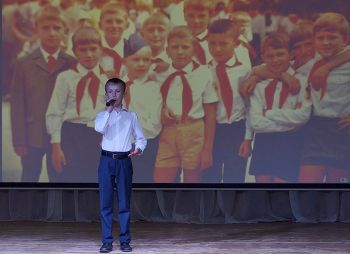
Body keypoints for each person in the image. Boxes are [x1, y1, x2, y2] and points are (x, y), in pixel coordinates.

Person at [10, 5, 76, 182]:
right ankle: (26, 209)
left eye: (57, 28)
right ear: (35, 30)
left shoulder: (72, 63)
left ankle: (57, 210)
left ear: (65, 31)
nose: (52, 33)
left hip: (62, 136)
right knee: (30, 176)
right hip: (32, 136)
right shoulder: (23, 64)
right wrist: (19, 139)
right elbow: (17, 105)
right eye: (45, 28)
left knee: (60, 178)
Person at [153, 26, 218, 183]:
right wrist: (161, 110)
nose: (180, 52)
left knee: (192, 180)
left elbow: (210, 113)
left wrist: (207, 150)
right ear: (167, 50)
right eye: (175, 47)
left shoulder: (204, 73)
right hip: (168, 131)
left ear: (194, 49)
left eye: (185, 47)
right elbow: (154, 100)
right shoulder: (159, 73)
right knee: (161, 180)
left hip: (194, 130)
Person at [248, 32, 312, 183]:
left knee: (283, 189)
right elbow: (255, 122)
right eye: (270, 56)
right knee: (263, 189)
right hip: (264, 142)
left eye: (280, 54)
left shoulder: (301, 81)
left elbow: (302, 116)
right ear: (263, 57)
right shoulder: (259, 85)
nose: (275, 59)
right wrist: (289, 125)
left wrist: (268, 113)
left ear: (291, 54)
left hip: (290, 144)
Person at [46, 26, 107, 182]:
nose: (89, 54)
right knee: (70, 180)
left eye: (93, 49)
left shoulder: (108, 80)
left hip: (99, 138)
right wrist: (56, 146)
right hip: (71, 136)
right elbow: (55, 112)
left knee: (96, 182)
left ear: (101, 49)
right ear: (75, 51)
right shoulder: (65, 78)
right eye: (83, 50)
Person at [95, 78, 147, 253]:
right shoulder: (102, 116)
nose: (114, 95)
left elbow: (140, 137)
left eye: (118, 92)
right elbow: (99, 129)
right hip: (106, 161)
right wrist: (108, 110)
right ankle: (107, 241)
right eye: (110, 91)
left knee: (124, 203)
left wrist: (139, 148)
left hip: (124, 161)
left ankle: (125, 240)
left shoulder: (131, 116)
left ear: (124, 94)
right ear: (106, 94)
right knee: (106, 203)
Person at [299, 13, 350, 183]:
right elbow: (281, 68)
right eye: (320, 38)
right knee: (307, 187)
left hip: (341, 130)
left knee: (336, 190)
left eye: (332, 37)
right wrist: (256, 75)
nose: (326, 42)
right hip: (314, 128)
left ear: (345, 39)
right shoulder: (312, 61)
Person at [203, 19, 252, 183]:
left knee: (235, 178)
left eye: (223, 43)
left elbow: (249, 107)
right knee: (210, 177)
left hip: (236, 130)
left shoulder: (244, 71)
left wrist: (247, 138)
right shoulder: (204, 71)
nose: (217, 49)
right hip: (211, 131)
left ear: (236, 43)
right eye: (212, 44)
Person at [122, 33, 163, 183]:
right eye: (136, 59)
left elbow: (154, 124)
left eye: (146, 60)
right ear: (125, 61)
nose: (141, 64)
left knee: (143, 183)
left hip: (145, 146)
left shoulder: (153, 88)